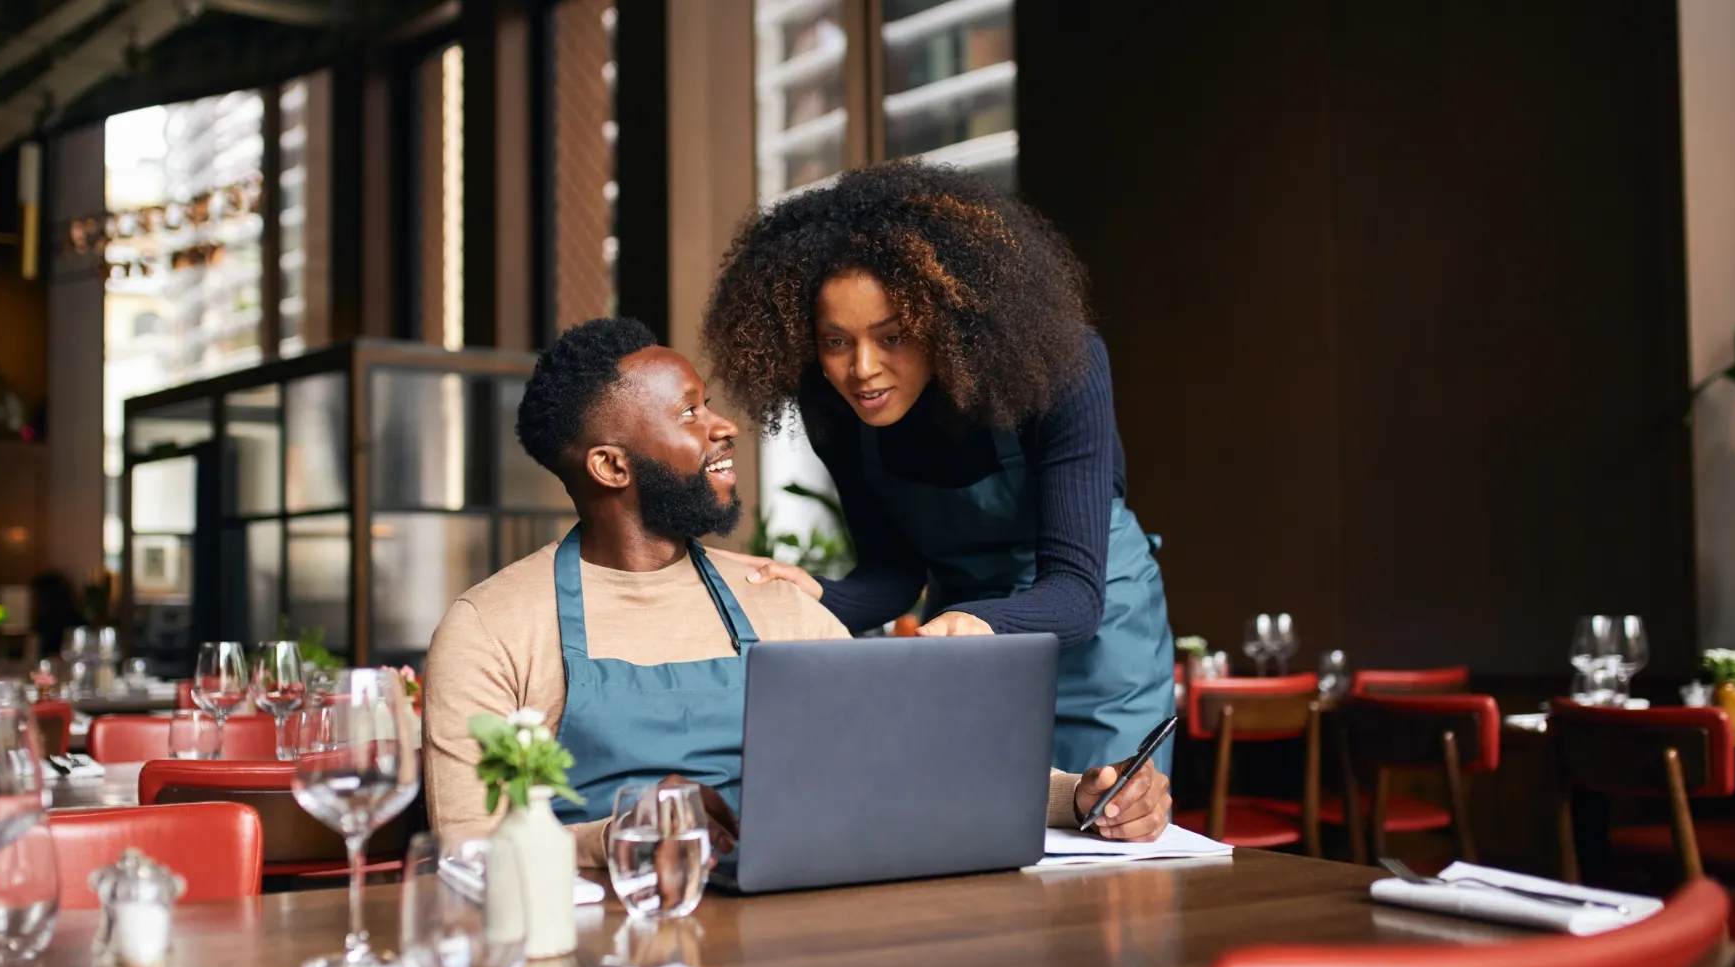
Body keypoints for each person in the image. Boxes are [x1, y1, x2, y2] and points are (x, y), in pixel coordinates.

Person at [422, 317, 1171, 866]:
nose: (725, 428)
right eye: (689, 413)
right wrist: (613, 838)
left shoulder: (771, 600)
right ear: (612, 467)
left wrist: (1081, 797)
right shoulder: (492, 626)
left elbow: (911, 752)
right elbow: (464, 844)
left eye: (707, 402)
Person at [701, 160, 1175, 777]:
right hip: (962, 631)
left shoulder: (1064, 371)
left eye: (892, 336)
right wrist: (817, 597)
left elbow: (1075, 597)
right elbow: (895, 571)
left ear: (946, 324)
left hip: (1100, 641)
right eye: (836, 340)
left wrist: (974, 621)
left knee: (1106, 837)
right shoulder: (836, 410)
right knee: (971, 834)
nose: (862, 368)